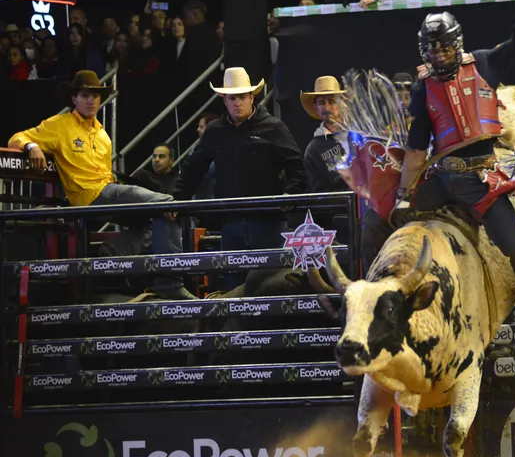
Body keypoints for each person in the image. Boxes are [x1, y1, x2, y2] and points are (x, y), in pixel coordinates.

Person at [393, 0, 515, 337]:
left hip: (482, 179)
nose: (439, 55)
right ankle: (384, 303)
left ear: (456, 44)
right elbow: (415, 149)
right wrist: (401, 196)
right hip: (442, 179)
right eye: (432, 50)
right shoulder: (421, 88)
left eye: (444, 48)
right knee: (384, 221)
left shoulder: (486, 63)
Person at [8, 71, 194, 300]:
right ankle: (170, 283)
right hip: (89, 194)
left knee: (157, 218)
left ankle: (113, 252)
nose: (91, 100)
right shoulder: (59, 125)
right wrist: (31, 147)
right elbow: (17, 137)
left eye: (95, 96)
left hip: (106, 190)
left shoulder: (102, 133)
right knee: (165, 203)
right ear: (74, 98)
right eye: (85, 95)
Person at [172, 67, 307, 291]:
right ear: (224, 100)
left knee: (270, 284)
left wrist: (291, 193)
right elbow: (193, 168)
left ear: (252, 97)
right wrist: (178, 198)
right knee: (234, 283)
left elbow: (296, 166)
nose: (237, 103)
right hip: (233, 221)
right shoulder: (215, 131)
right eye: (232, 98)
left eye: (242, 97)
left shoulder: (272, 127)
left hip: (266, 221)